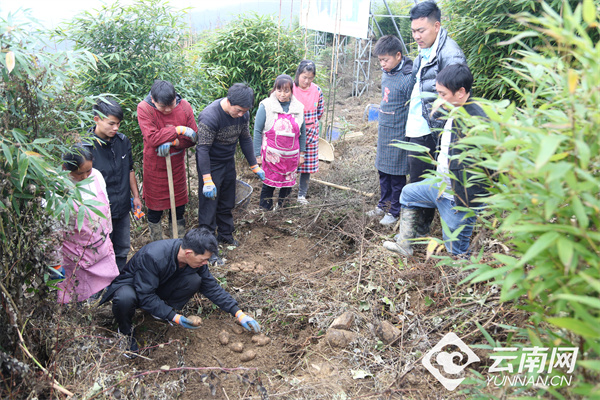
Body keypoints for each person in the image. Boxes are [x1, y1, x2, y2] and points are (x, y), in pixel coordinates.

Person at [99, 227, 260, 358]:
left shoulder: (194, 260)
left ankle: (161, 312)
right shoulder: (154, 256)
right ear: (189, 253)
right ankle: (125, 332)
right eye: (203, 260)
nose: (205, 263)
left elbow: (211, 287)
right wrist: (175, 317)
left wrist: (239, 313)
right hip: (135, 287)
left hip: (158, 286)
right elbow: (145, 294)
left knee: (196, 280)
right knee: (124, 298)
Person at [384, 64, 488, 256]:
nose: (439, 99)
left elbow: (486, 168)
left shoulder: (477, 121)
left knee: (456, 252)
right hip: (440, 186)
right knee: (408, 194)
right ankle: (406, 245)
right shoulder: (456, 108)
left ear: (461, 92)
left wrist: (468, 201)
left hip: (458, 199)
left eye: (443, 94)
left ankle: (461, 278)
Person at [405, 1, 466, 236]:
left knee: (421, 182)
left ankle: (416, 235)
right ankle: (417, 232)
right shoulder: (426, 50)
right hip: (419, 125)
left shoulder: (450, 54)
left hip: (433, 130)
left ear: (437, 26)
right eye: (413, 31)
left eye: (421, 30)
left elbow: (457, 97)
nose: (417, 36)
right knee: (418, 179)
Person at [196, 83, 265, 263]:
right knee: (208, 207)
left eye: (245, 111)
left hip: (228, 161)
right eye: (238, 110)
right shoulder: (210, 116)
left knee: (227, 201)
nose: (241, 114)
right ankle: (207, 249)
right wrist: (207, 179)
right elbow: (202, 150)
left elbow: (245, 138)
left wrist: (254, 165)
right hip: (210, 164)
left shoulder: (243, 114)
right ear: (229, 101)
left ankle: (225, 235)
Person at [84, 97, 141, 271]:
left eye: (118, 124)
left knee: (122, 248)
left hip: (122, 205)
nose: (115, 128)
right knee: (99, 250)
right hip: (98, 211)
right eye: (111, 123)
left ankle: (119, 281)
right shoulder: (85, 147)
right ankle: (98, 289)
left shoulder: (123, 142)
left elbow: (130, 170)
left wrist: (136, 196)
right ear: (97, 119)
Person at [137, 80, 198, 241]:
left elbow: (192, 138)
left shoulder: (184, 106)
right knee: (155, 209)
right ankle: (157, 244)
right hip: (154, 167)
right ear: (153, 99)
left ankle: (178, 243)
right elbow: (151, 138)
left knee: (178, 208)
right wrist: (179, 130)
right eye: (163, 106)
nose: (168, 109)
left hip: (176, 165)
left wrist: (175, 142)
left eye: (171, 104)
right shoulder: (144, 108)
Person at [58, 145, 120, 303]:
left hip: (100, 245)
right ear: (65, 168)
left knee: (101, 288)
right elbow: (55, 229)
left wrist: (108, 234)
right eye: (79, 173)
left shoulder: (97, 176)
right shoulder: (58, 190)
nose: (85, 176)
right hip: (75, 253)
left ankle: (97, 304)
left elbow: (106, 208)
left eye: (88, 171)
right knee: (77, 291)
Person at [365, 35, 414, 227]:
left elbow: (413, 106)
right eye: (380, 60)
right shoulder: (387, 73)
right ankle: (383, 205)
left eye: (386, 60)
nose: (383, 64)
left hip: (399, 132)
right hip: (385, 129)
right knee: (383, 170)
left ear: (398, 56)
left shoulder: (407, 78)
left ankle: (395, 210)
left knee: (396, 173)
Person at [253, 74, 306, 210]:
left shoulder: (299, 108)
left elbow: (302, 133)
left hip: (291, 156)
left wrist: (302, 154)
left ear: (291, 91)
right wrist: (257, 154)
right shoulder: (266, 105)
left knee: (287, 185)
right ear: (274, 89)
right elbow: (257, 131)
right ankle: (265, 210)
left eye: (286, 91)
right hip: (272, 156)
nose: (282, 94)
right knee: (269, 184)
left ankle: (282, 209)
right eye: (279, 90)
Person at [292, 60, 324, 205]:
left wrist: (310, 125)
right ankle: (284, 190)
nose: (307, 81)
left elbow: (319, 112)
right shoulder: (290, 88)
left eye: (310, 78)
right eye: (304, 77)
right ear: (298, 74)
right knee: (289, 162)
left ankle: (301, 195)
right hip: (292, 132)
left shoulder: (317, 90)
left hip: (311, 132)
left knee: (306, 166)